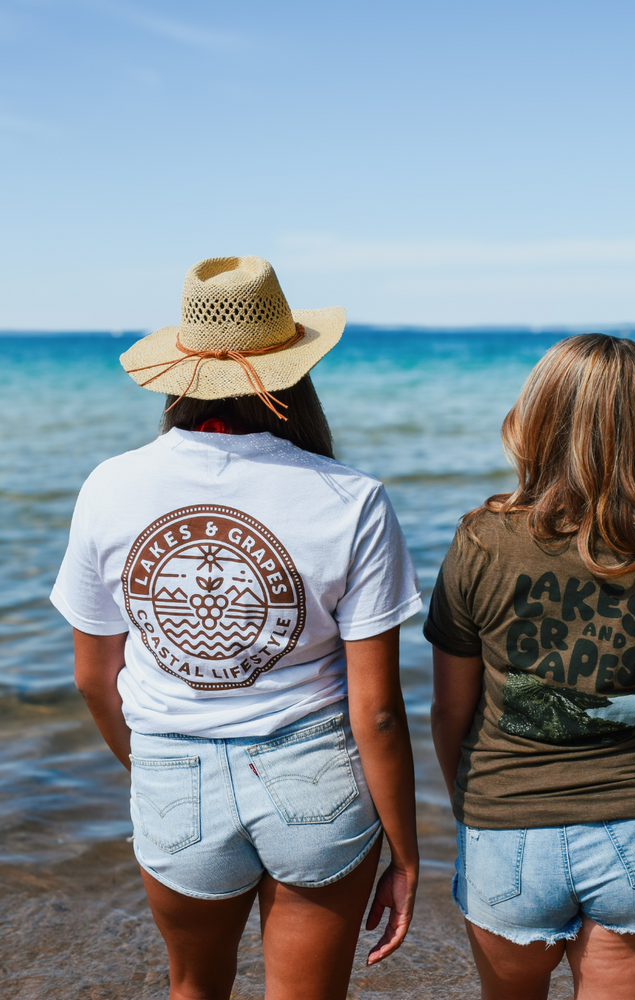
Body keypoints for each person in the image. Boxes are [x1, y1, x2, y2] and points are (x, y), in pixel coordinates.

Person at [51, 256, 421, 1000]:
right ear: (294, 371)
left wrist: (154, 767)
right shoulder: (351, 498)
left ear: (182, 373)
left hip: (172, 769)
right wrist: (409, 855)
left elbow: (95, 678)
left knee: (194, 989)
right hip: (313, 775)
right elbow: (376, 709)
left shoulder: (109, 487)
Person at [425, 334, 635, 1000]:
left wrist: (476, 805)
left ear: (536, 418)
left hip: (508, 829)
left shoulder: (482, 542)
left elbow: (450, 711)